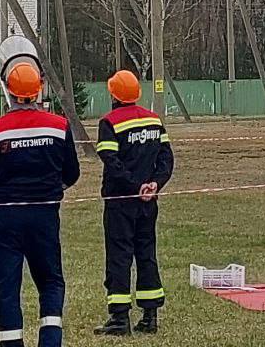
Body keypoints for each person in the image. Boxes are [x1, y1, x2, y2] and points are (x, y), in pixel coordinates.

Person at [0, 62, 80, 347]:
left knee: (7, 287)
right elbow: (71, 173)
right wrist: (53, 191)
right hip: (44, 214)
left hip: (4, 218)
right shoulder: (59, 126)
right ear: (38, 90)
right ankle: (50, 341)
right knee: (51, 282)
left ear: (9, 90)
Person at [94, 70, 175, 336]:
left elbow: (111, 161)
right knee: (146, 253)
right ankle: (150, 316)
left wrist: (133, 185)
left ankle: (119, 318)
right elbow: (166, 158)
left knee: (119, 256)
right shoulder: (154, 120)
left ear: (113, 95)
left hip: (121, 200)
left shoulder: (110, 122)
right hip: (148, 201)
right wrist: (155, 183)